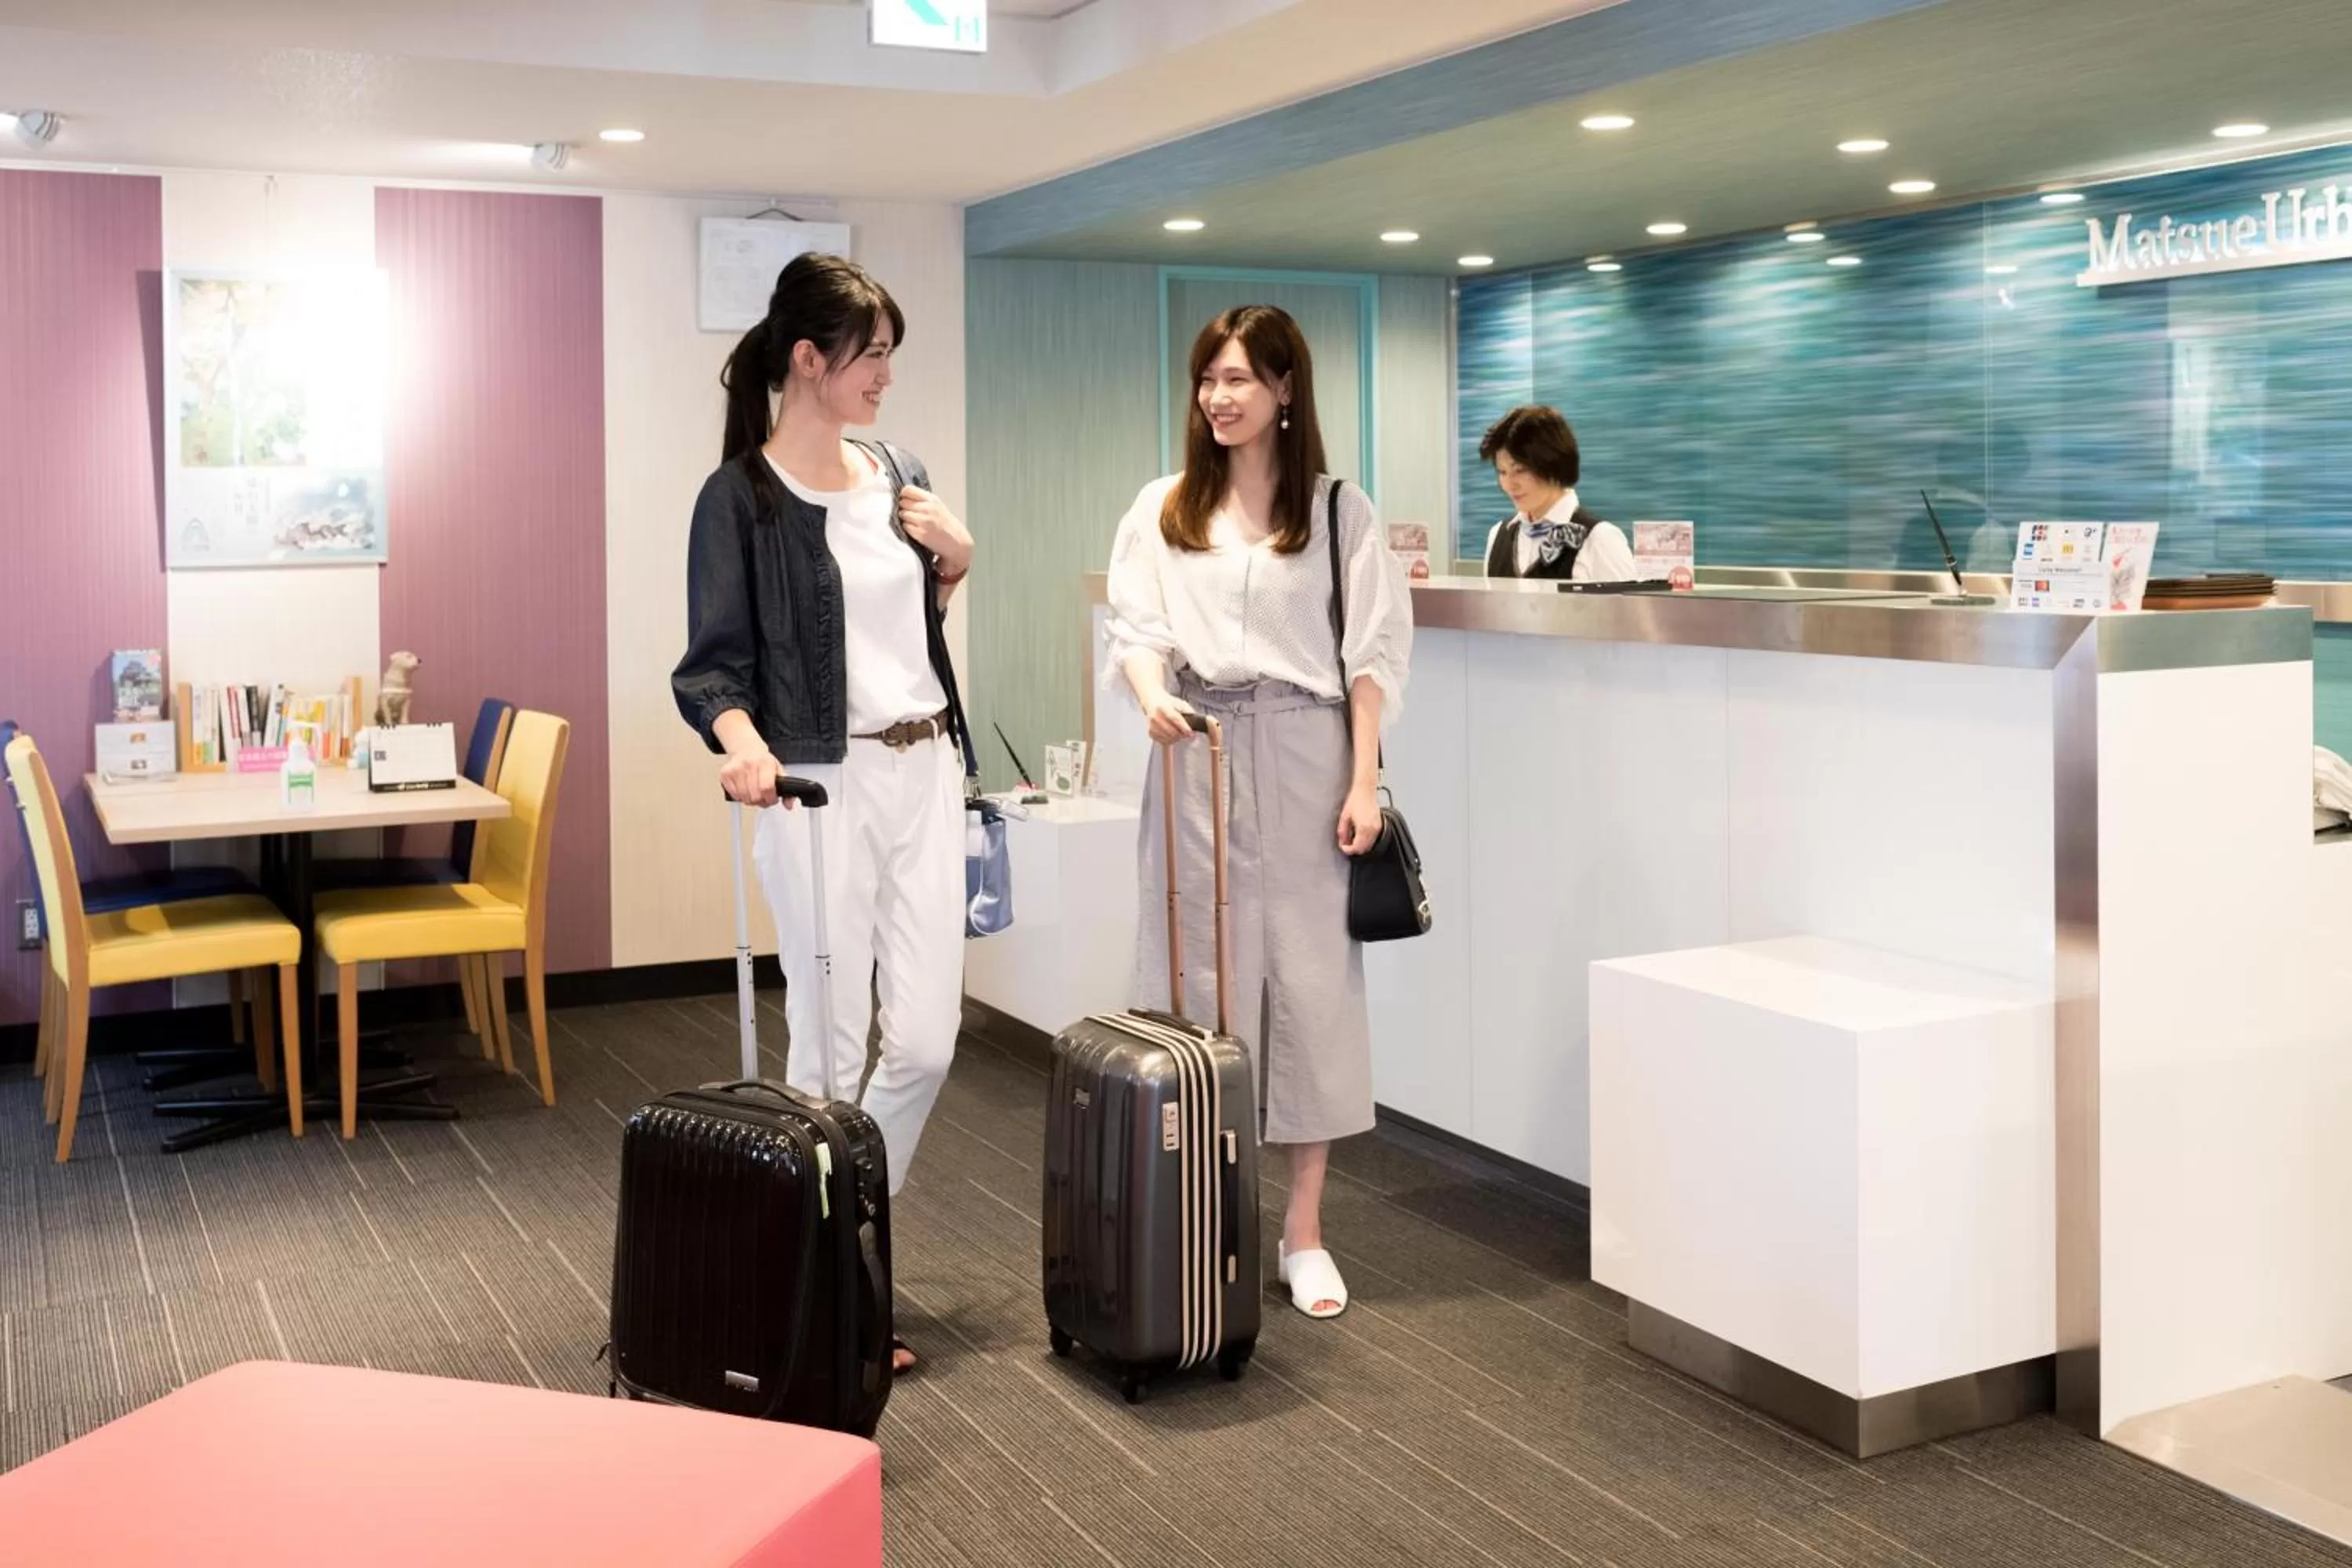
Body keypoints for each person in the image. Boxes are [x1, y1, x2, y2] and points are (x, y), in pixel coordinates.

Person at [672, 252, 975, 1375]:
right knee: (832, 1049)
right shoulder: (742, 498)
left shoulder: (901, 471)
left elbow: (913, 637)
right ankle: (829, 1281)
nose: (888, 376)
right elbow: (711, 672)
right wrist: (744, 752)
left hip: (926, 768)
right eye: (874, 353)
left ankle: (820, 1240)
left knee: (932, 1043)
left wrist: (957, 563)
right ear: (811, 359)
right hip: (816, 785)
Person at [1103, 305, 1413, 1321]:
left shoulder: (1338, 512)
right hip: (1193, 753)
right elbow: (1137, 629)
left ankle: (1304, 1229)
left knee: (1310, 989)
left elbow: (1372, 657)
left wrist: (1364, 781)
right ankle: (1210, 1213)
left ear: (1286, 390)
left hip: (1309, 754)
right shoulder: (1161, 506)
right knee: (1198, 985)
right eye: (1208, 378)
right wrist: (1149, 693)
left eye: (1240, 378)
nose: (1219, 398)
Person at [1478, 405, 1636, 582]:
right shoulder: (1498, 536)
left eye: (1520, 470)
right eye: (1502, 472)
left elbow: (1626, 610)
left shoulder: (1601, 539)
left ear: (1552, 463)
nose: (1509, 485)